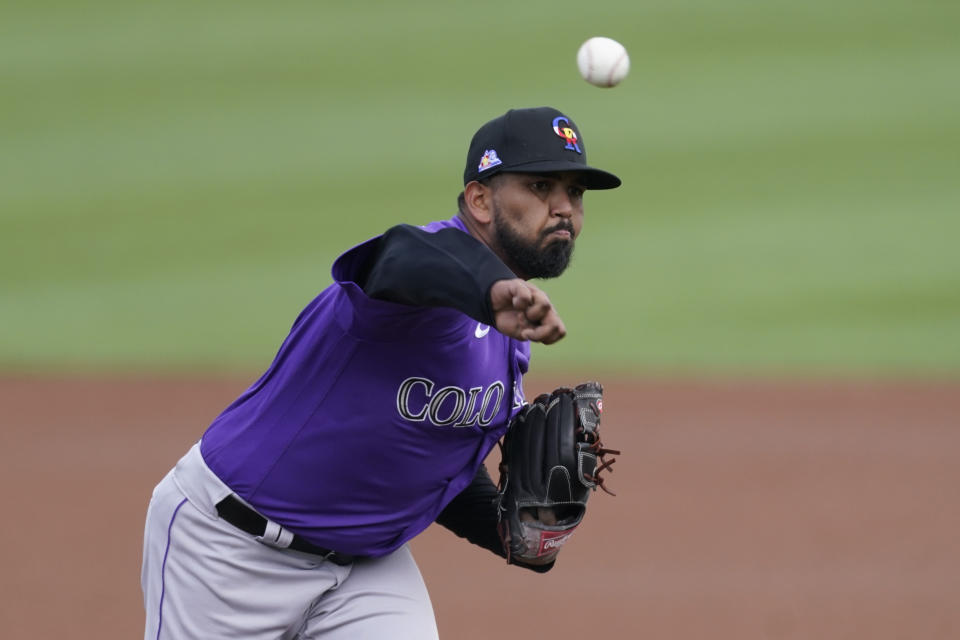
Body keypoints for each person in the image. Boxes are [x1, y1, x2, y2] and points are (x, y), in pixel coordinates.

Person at [141, 106, 621, 639]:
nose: (563, 208)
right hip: (230, 549)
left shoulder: (508, 339)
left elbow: (435, 462)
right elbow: (401, 257)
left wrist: (512, 533)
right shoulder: (419, 284)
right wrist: (490, 291)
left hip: (366, 570)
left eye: (574, 193)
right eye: (540, 185)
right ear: (480, 199)